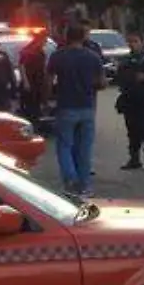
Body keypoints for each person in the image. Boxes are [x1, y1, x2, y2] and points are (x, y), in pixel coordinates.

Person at [48, 24, 105, 197]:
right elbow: (102, 83)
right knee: (84, 148)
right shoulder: (93, 57)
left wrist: (47, 99)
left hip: (66, 105)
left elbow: (48, 79)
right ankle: (85, 185)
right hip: (87, 106)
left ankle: (70, 180)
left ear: (67, 37)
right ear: (83, 37)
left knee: (65, 145)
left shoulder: (58, 56)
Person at [114, 31, 144, 170]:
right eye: (130, 41)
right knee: (132, 129)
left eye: (135, 41)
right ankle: (134, 158)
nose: (132, 44)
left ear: (142, 41)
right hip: (129, 98)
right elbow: (119, 76)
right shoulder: (126, 59)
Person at [17, 30, 49, 121]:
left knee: (37, 105)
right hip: (31, 82)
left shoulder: (40, 51)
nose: (45, 42)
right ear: (40, 39)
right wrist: (26, 81)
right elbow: (21, 65)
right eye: (45, 40)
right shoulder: (29, 50)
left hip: (38, 81)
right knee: (30, 106)